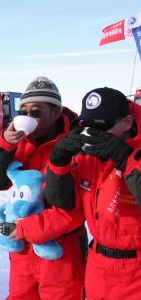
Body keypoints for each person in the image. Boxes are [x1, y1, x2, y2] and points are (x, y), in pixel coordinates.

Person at [0, 76, 87, 300]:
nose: (28, 117)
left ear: (56, 112)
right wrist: (5, 143)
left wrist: (19, 230)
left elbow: (75, 211)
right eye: (23, 111)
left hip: (61, 251)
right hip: (23, 252)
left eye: (36, 112)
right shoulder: (19, 142)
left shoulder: (75, 145)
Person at [43, 87, 141, 300]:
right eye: (86, 127)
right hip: (99, 267)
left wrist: (127, 159)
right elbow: (64, 203)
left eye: (100, 128)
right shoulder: (87, 158)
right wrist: (58, 162)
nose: (92, 135)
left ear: (126, 123)